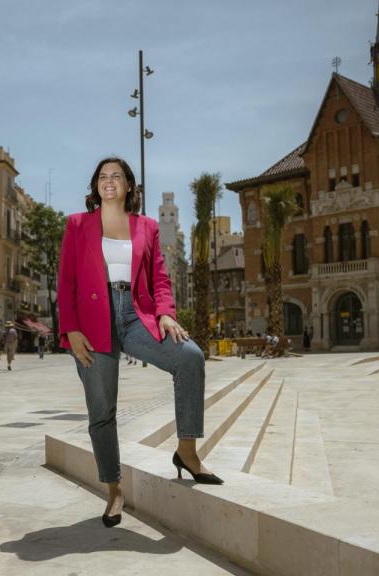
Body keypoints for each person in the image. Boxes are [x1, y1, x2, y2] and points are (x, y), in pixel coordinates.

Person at [58, 156, 220, 529]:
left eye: (116, 176)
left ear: (129, 185)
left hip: (135, 314)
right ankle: (114, 490)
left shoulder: (146, 227)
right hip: (91, 323)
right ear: (96, 185)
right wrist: (72, 329)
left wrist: (165, 312)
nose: (109, 181)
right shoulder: (77, 225)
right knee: (102, 412)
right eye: (103, 176)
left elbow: (159, 278)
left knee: (190, 357)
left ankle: (187, 451)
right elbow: (66, 282)